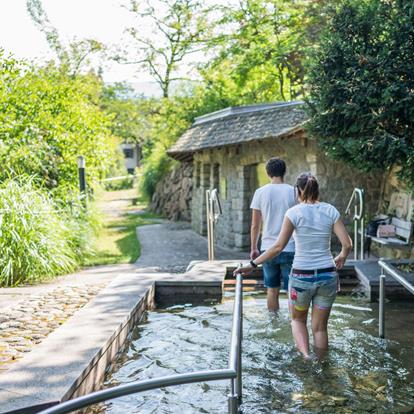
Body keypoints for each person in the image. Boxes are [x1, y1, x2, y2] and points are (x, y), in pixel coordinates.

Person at [237, 172, 352, 359]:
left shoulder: (293, 213)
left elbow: (277, 247)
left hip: (301, 279)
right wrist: (342, 256)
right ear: (317, 190)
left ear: (298, 191)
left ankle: (306, 357)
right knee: (320, 328)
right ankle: (322, 365)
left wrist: (252, 264)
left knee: (298, 320)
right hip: (327, 275)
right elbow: (347, 244)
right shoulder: (330, 210)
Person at [250, 158, 296, 312]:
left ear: (268, 173)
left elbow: (255, 225)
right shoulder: (294, 191)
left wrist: (253, 248)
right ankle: (295, 324)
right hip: (291, 247)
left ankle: (273, 322)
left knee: (271, 289)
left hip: (268, 249)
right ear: (284, 172)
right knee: (293, 291)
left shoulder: (260, 192)